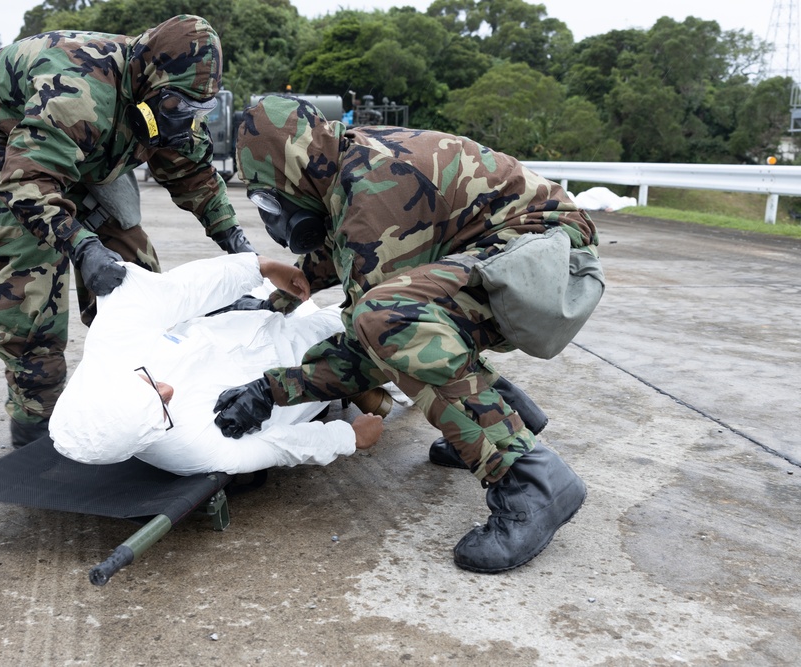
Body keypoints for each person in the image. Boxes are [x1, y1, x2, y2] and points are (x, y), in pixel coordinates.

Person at [214, 95, 605, 573]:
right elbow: (336, 252)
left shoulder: (373, 188)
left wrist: (273, 389)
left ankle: (531, 481)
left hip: (551, 265)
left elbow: (373, 347)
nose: (272, 214)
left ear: (293, 167)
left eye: (269, 196)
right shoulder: (343, 163)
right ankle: (503, 417)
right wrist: (277, 298)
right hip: (524, 251)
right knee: (411, 311)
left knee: (391, 321)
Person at [0, 16, 256, 448]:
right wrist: (82, 245)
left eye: (199, 110)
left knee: (134, 269)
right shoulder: (81, 89)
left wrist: (235, 242)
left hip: (76, 144)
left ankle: (132, 391)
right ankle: (35, 416)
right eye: (177, 107)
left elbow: (192, 172)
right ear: (146, 79)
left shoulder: (173, 99)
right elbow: (29, 184)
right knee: (34, 259)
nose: (185, 119)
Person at [48, 252, 384, 474]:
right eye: (163, 410)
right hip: (298, 365)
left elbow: (182, 290)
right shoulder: (189, 450)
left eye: (149, 383)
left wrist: (259, 266)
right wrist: (348, 437)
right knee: (382, 327)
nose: (168, 390)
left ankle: (367, 388)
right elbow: (278, 446)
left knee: (301, 280)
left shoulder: (113, 341)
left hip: (251, 322)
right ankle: (370, 391)